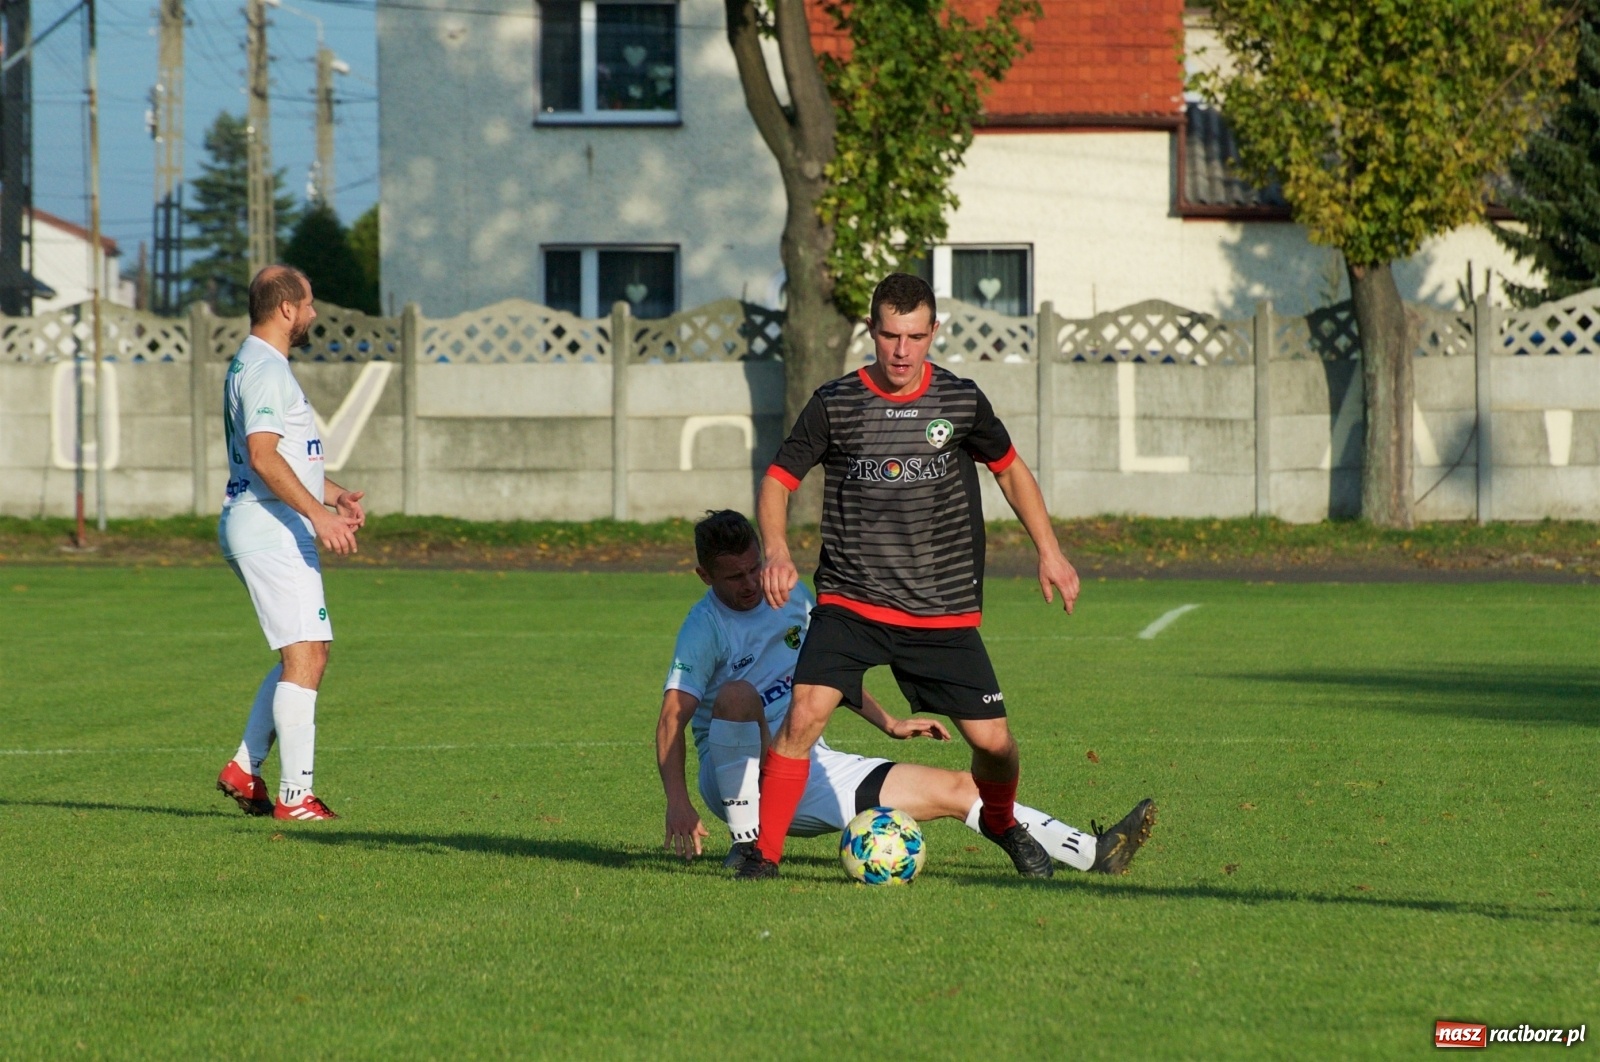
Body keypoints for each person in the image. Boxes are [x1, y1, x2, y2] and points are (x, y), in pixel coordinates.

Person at [737, 273, 1155, 880]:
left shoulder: (960, 401)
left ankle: (1002, 822)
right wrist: (776, 550)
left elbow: (1010, 470)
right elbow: (778, 480)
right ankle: (764, 858)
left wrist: (1050, 551)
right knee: (803, 715)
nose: (901, 350)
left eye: (914, 336)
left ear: (934, 331)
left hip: (940, 608)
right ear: (871, 331)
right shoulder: (835, 403)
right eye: (890, 335)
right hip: (852, 600)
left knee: (994, 745)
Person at [657, 510, 1149, 876]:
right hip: (733, 780)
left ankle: (1093, 853)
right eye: (734, 576)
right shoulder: (704, 628)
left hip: (806, 764)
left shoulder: (790, 596)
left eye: (754, 568)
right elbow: (671, 719)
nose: (750, 584)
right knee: (737, 696)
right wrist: (678, 801)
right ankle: (747, 845)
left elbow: (827, 677)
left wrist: (889, 722)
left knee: (960, 788)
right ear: (705, 576)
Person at [214, 265, 364, 822]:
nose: (314, 313)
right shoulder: (265, 369)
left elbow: (288, 458)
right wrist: (319, 515)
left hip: (265, 522)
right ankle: (296, 797)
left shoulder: (256, 362)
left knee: (304, 652)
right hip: (270, 528)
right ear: (285, 309)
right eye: (308, 303)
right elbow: (263, 456)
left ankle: (244, 768)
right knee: (306, 654)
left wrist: (335, 494)